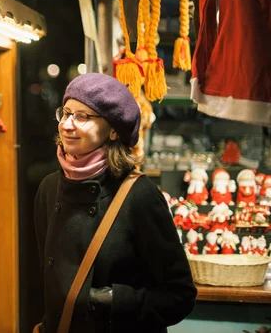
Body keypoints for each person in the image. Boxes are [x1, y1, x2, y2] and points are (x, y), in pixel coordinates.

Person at [34, 73, 196, 332]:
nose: (67, 124)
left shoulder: (139, 195)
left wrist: (112, 300)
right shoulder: (49, 188)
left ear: (112, 130)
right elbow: (49, 282)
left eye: (83, 116)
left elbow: (179, 295)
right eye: (65, 113)